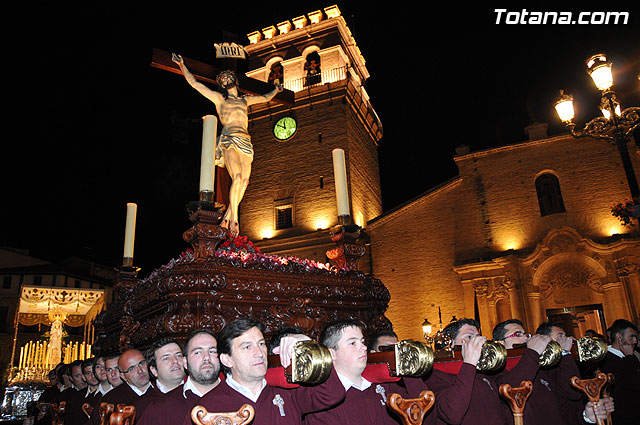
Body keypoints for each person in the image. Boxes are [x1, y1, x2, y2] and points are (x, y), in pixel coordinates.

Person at [172, 54, 283, 237]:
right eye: (223, 79)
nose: (226, 80)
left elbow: (264, 98)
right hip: (229, 138)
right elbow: (196, 84)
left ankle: (229, 215)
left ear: (234, 81)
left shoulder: (245, 100)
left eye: (228, 77)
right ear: (221, 84)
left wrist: (276, 90)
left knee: (245, 181)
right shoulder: (219, 100)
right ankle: (235, 218)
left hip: (245, 141)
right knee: (237, 177)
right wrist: (182, 65)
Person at [305, 319, 484, 425]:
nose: (363, 347)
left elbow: (428, 420)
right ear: (331, 353)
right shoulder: (322, 398)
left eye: (362, 341)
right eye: (352, 343)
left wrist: (410, 372)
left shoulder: (385, 388)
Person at [182, 318, 345, 425]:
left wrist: (308, 346)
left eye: (261, 344)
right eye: (247, 347)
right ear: (227, 359)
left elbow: (333, 394)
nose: (259, 353)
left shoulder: (288, 392)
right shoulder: (207, 407)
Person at [494, 320, 611, 425]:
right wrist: (533, 352)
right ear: (500, 344)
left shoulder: (541, 371)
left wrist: (585, 415)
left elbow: (565, 403)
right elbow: (514, 389)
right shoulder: (495, 374)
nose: (526, 338)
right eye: (518, 334)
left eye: (526, 334)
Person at [138, 329, 222, 425]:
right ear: (185, 362)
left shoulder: (239, 395)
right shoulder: (160, 408)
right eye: (197, 352)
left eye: (212, 351)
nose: (206, 357)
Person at [88, 349, 153, 425]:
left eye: (141, 363)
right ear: (123, 376)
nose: (140, 371)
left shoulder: (163, 388)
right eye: (131, 368)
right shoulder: (109, 401)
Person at [598, 319, 639, 425]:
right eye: (631, 337)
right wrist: (630, 357)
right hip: (624, 417)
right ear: (619, 337)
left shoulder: (631, 356)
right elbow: (632, 383)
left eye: (636, 337)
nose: (635, 341)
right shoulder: (606, 359)